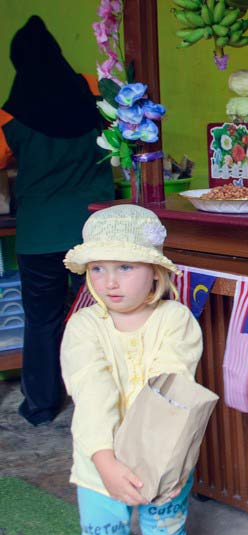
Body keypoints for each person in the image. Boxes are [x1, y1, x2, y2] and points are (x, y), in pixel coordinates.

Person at [60, 205, 202, 535]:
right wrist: (105, 461)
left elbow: (170, 389)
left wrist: (161, 464)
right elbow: (93, 392)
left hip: (162, 459)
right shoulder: (83, 326)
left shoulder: (175, 319)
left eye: (125, 267)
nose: (109, 282)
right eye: (98, 268)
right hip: (99, 464)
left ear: (155, 273)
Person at [0, 15, 115, 426]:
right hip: (97, 228)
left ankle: (42, 404)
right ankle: (105, 400)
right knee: (104, 315)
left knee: (43, 319)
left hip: (38, 235)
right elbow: (133, 120)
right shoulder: (94, 88)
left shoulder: (10, 116)